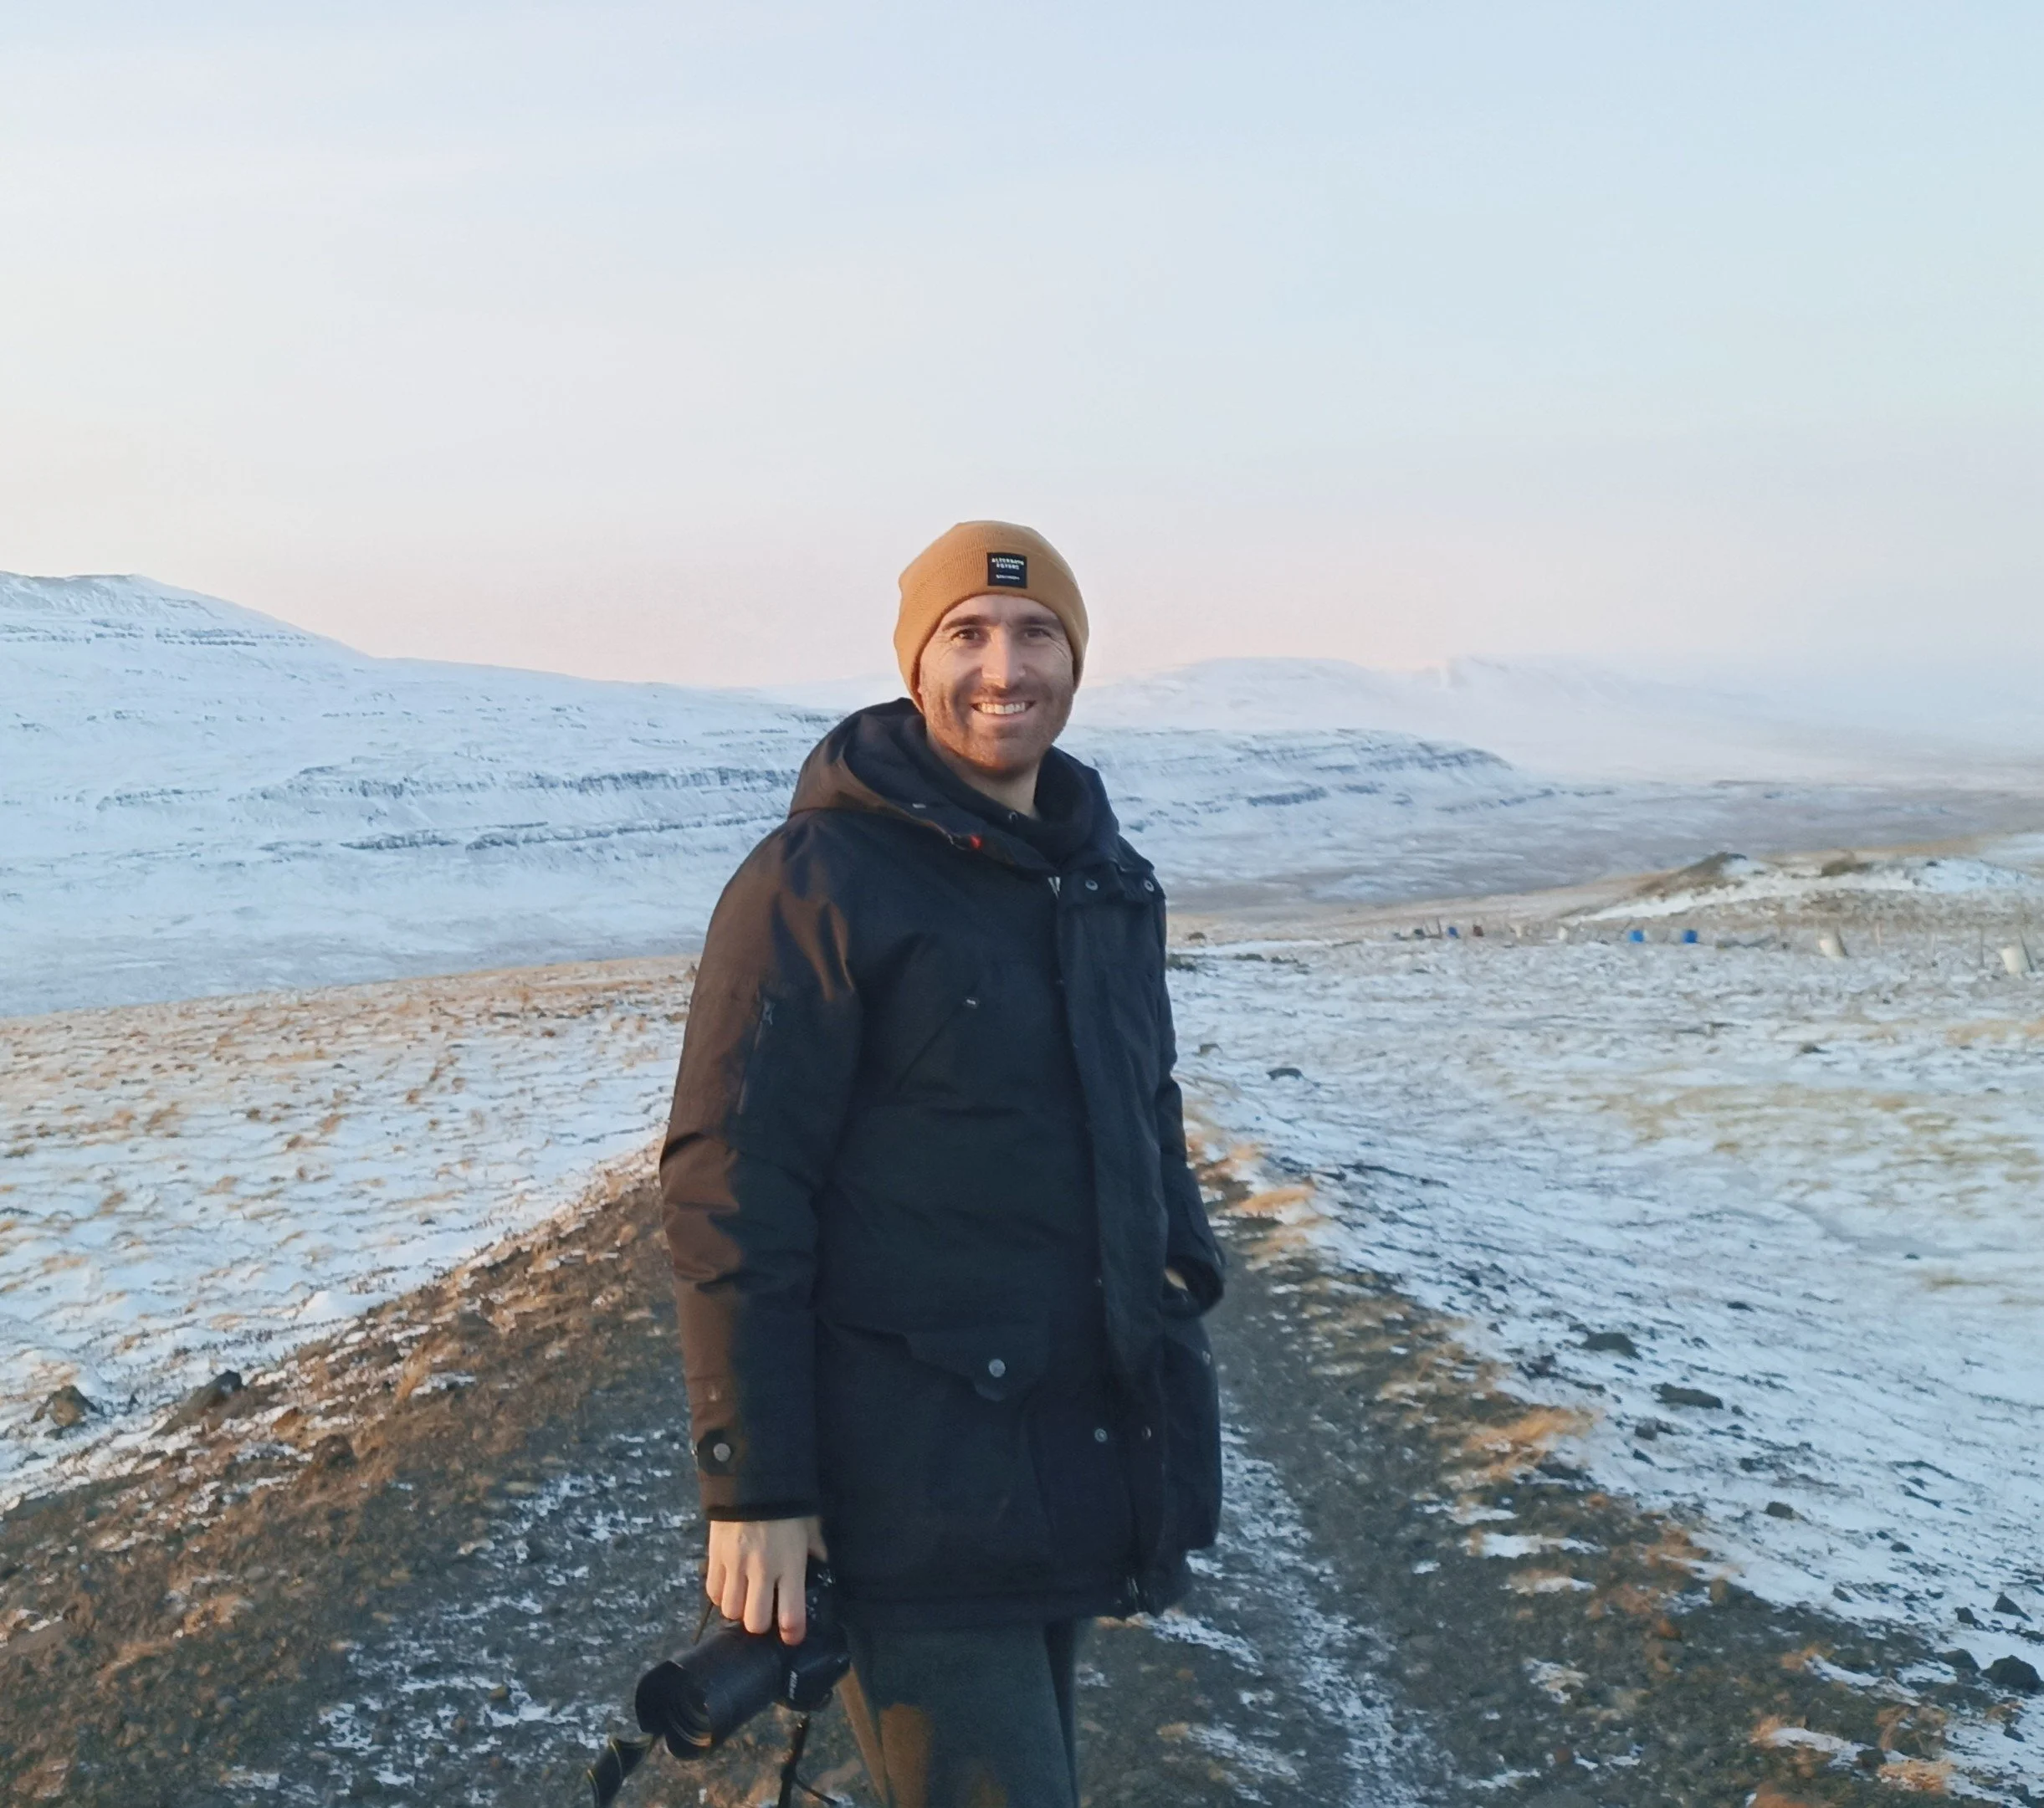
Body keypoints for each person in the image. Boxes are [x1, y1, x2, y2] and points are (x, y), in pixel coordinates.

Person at [659, 520, 1224, 1808]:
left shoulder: (1103, 878)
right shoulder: (820, 879)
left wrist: (1178, 1281)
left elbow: (1144, 1112)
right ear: (915, 666)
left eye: (1035, 635)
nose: (1002, 668)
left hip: (1069, 1446)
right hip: (908, 1476)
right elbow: (729, 1180)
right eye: (965, 634)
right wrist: (758, 1489)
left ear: (1075, 664)